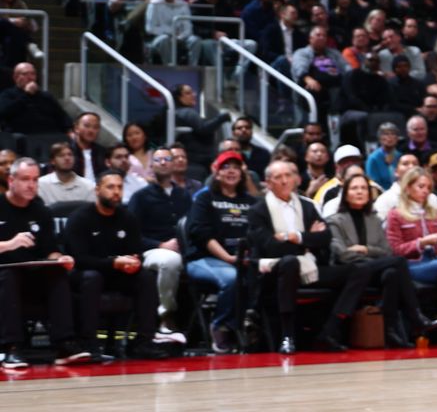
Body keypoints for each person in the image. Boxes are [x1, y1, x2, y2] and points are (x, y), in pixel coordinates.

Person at [0, 157, 92, 367]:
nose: (31, 185)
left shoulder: (41, 211)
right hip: (4, 275)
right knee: (9, 276)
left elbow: (49, 250)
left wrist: (59, 259)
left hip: (32, 274)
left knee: (57, 274)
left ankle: (64, 344)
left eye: (35, 180)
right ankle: (11, 348)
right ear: (11, 180)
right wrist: (9, 244)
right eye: (25, 179)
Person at [64, 172, 165, 359]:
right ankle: (89, 343)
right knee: (92, 277)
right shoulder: (80, 218)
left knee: (146, 277)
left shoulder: (128, 218)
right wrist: (113, 262)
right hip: (86, 273)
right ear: (97, 190)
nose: (116, 192)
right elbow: (78, 258)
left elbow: (137, 252)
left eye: (119, 187)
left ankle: (143, 342)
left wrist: (134, 263)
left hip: (117, 274)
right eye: (110, 187)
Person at [326, 170, 433, 348]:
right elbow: (343, 255)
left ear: (369, 194)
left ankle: (390, 332)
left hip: (372, 269)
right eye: (354, 188)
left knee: (391, 273)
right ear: (345, 194)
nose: (360, 192)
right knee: (398, 262)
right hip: (349, 270)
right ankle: (415, 317)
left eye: (363, 188)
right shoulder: (334, 221)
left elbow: (387, 251)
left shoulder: (374, 219)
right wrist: (373, 255)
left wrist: (365, 249)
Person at [248, 160, 339, 353]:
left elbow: (325, 237)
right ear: (268, 182)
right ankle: (287, 336)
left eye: (288, 176)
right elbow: (269, 247)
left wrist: (294, 237)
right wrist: (307, 239)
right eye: (278, 177)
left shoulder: (307, 206)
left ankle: (329, 331)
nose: (284, 181)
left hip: (308, 266)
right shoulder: (258, 210)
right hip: (271, 271)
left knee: (356, 271)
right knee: (289, 263)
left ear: (296, 179)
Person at [385, 166, 437, 339]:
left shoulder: (435, 213)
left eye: (428, 188)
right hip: (414, 264)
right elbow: (394, 249)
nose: (425, 192)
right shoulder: (396, 214)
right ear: (408, 187)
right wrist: (422, 243)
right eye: (420, 187)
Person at [186, 151, 254, 353]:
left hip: (243, 258)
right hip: (204, 258)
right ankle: (221, 325)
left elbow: (258, 233)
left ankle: (251, 323)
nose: (231, 171)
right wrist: (229, 258)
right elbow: (200, 233)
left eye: (235, 167)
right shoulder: (204, 198)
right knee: (232, 278)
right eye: (226, 167)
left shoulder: (251, 201)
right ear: (216, 172)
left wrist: (247, 257)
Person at [128, 147, 192, 343]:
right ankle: (165, 317)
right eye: (158, 160)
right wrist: (160, 244)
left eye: (167, 159)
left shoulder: (184, 195)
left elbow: (192, 227)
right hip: (151, 251)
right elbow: (132, 235)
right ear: (151, 166)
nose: (163, 162)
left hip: (184, 250)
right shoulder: (140, 197)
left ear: (173, 164)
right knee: (169, 261)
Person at [37, 141, 95, 206]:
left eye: (70, 155)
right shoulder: (41, 184)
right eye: (61, 155)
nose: (67, 158)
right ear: (53, 161)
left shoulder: (89, 186)